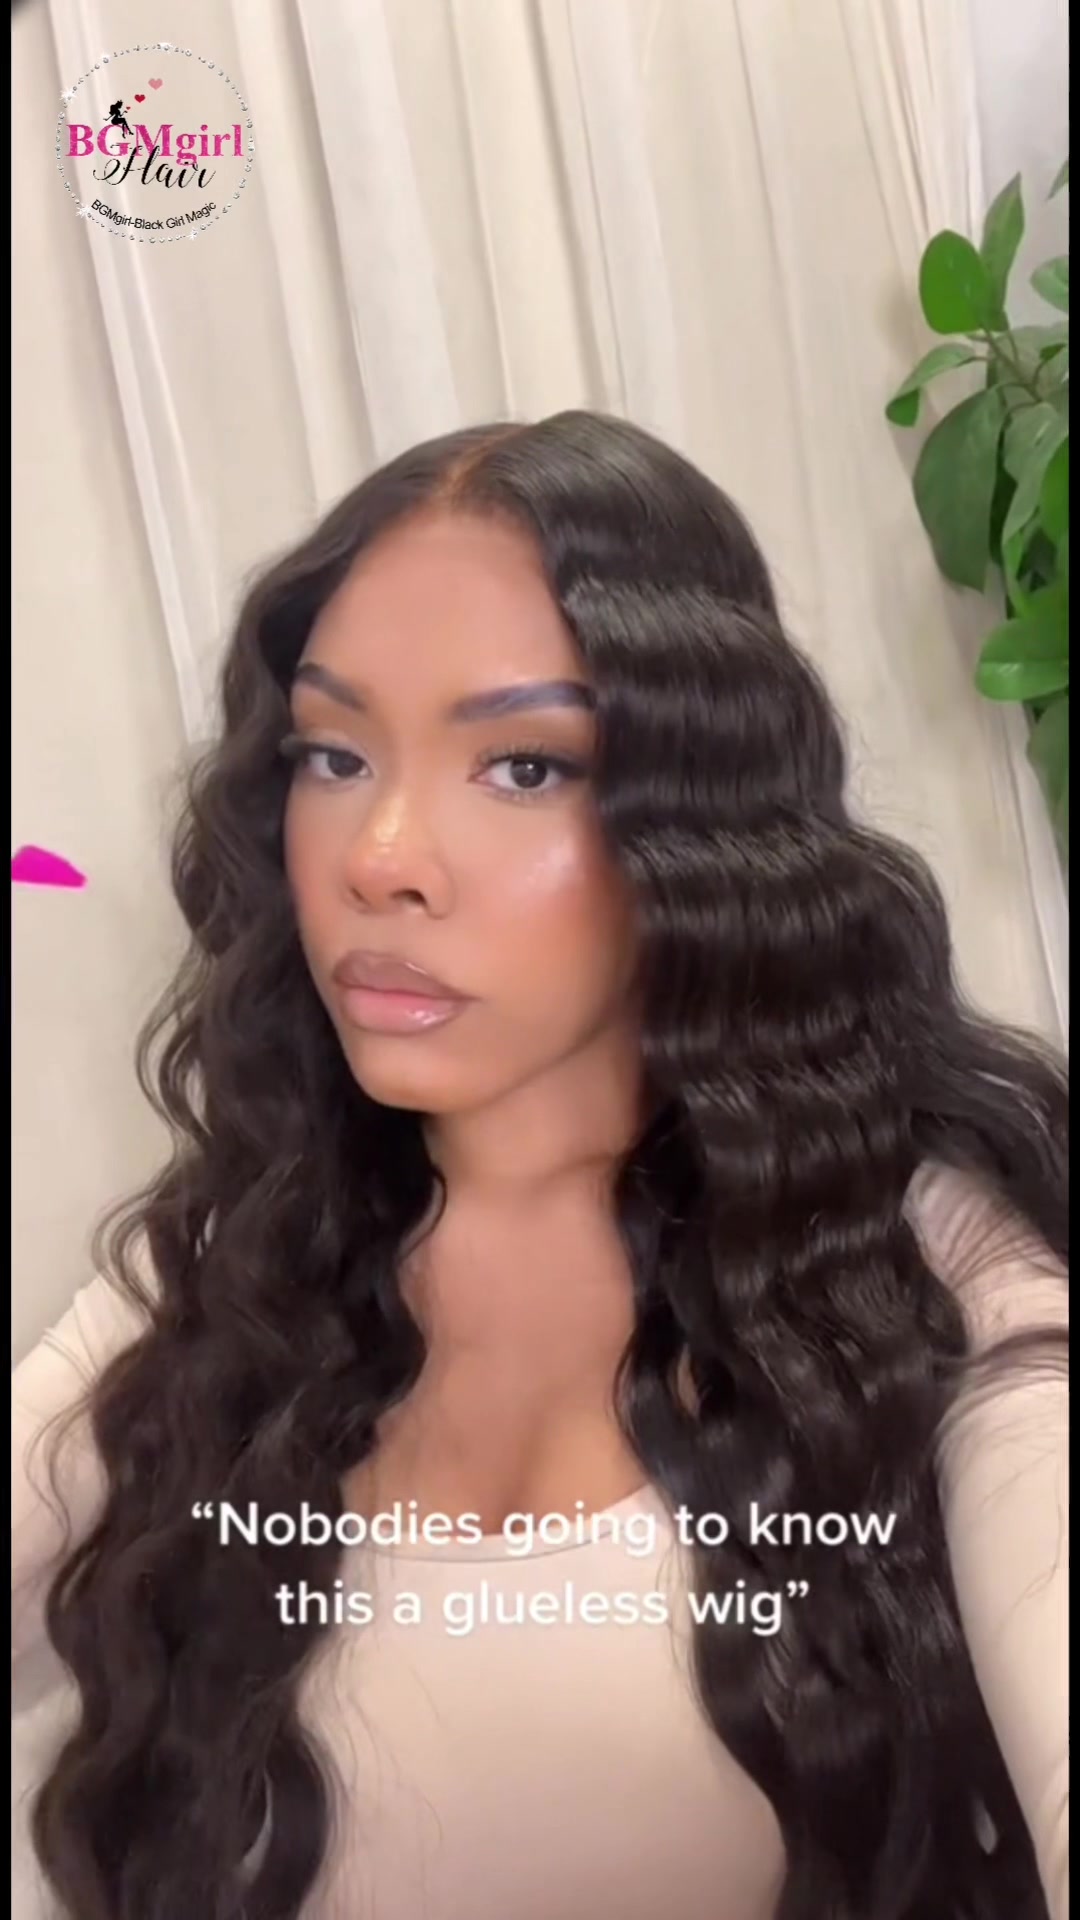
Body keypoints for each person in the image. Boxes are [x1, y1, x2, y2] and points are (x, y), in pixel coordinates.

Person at [11, 411, 1067, 1920]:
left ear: (701, 821)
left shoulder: (935, 1278)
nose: (380, 855)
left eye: (521, 766)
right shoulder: (231, 1271)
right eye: (332, 753)